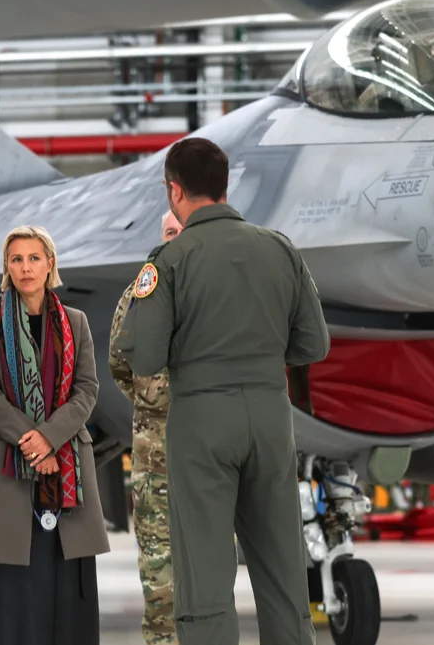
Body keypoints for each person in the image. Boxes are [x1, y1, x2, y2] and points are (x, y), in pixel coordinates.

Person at [113, 137, 330, 645]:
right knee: (283, 568)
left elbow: (144, 358)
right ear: (224, 185)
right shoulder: (280, 248)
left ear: (174, 190)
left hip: (202, 421)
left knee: (205, 576)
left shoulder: (168, 260)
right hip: (271, 419)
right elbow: (314, 344)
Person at [0, 224, 110, 644]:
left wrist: (50, 439)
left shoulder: (75, 322)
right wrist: (35, 443)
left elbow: (86, 390)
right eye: (17, 259)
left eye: (34, 258)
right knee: (8, 586)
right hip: (5, 471)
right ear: (7, 267)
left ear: (49, 264)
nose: (25, 267)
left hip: (65, 467)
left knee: (62, 580)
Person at [109, 211, 183, 645]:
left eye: (182, 232)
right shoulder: (141, 292)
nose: (175, 240)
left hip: (209, 444)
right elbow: (119, 360)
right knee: (158, 561)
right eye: (169, 232)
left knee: (210, 559)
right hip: (155, 447)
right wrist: (153, 402)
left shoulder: (217, 290)